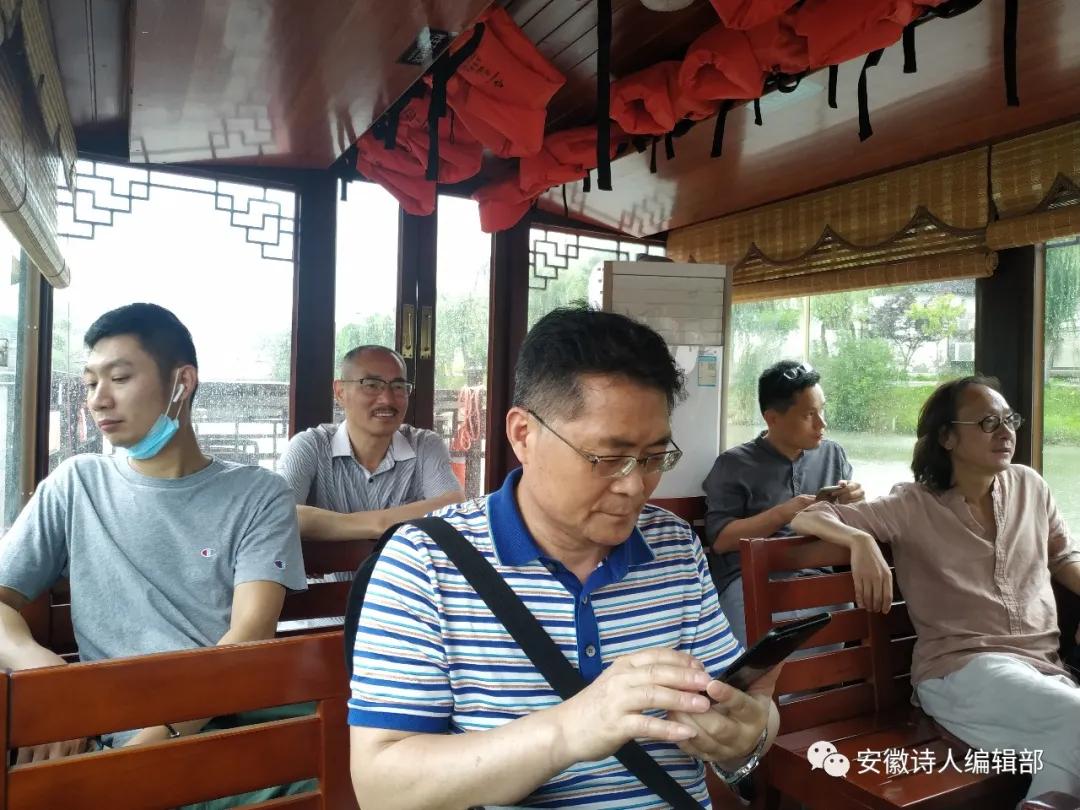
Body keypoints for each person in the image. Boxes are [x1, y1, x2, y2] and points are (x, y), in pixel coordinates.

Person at [349, 306, 780, 810]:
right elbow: (381, 788)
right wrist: (569, 729)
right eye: (607, 457)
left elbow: (742, 717)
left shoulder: (674, 546)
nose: (635, 486)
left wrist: (751, 732)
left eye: (653, 457)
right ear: (523, 435)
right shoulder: (424, 564)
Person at [0, 303, 307, 763]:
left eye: (119, 378)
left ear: (182, 383)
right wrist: (40, 668)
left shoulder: (259, 494)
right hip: (108, 731)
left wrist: (151, 744)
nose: (98, 399)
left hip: (222, 729)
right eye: (91, 383)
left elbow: (250, 633)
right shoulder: (77, 484)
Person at [792, 376, 1080, 800]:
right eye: (988, 422)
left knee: (1064, 757)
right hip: (961, 673)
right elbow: (808, 516)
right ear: (946, 437)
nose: (1005, 432)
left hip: (1043, 668)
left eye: (1009, 420)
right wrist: (860, 541)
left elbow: (1063, 556)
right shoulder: (912, 506)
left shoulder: (1030, 487)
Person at [702, 360, 863, 645]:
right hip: (751, 580)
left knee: (844, 619)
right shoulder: (734, 464)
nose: (822, 424)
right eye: (809, 415)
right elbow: (721, 541)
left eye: (822, 410)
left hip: (816, 574)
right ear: (772, 419)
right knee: (762, 657)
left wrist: (854, 503)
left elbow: (848, 522)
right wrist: (783, 513)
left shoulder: (832, 455)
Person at [280, 345, 464, 543]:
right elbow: (277, 515)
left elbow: (453, 508)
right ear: (340, 392)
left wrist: (339, 524)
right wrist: (380, 525)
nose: (387, 399)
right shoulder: (311, 446)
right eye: (371, 385)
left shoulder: (425, 446)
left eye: (398, 386)